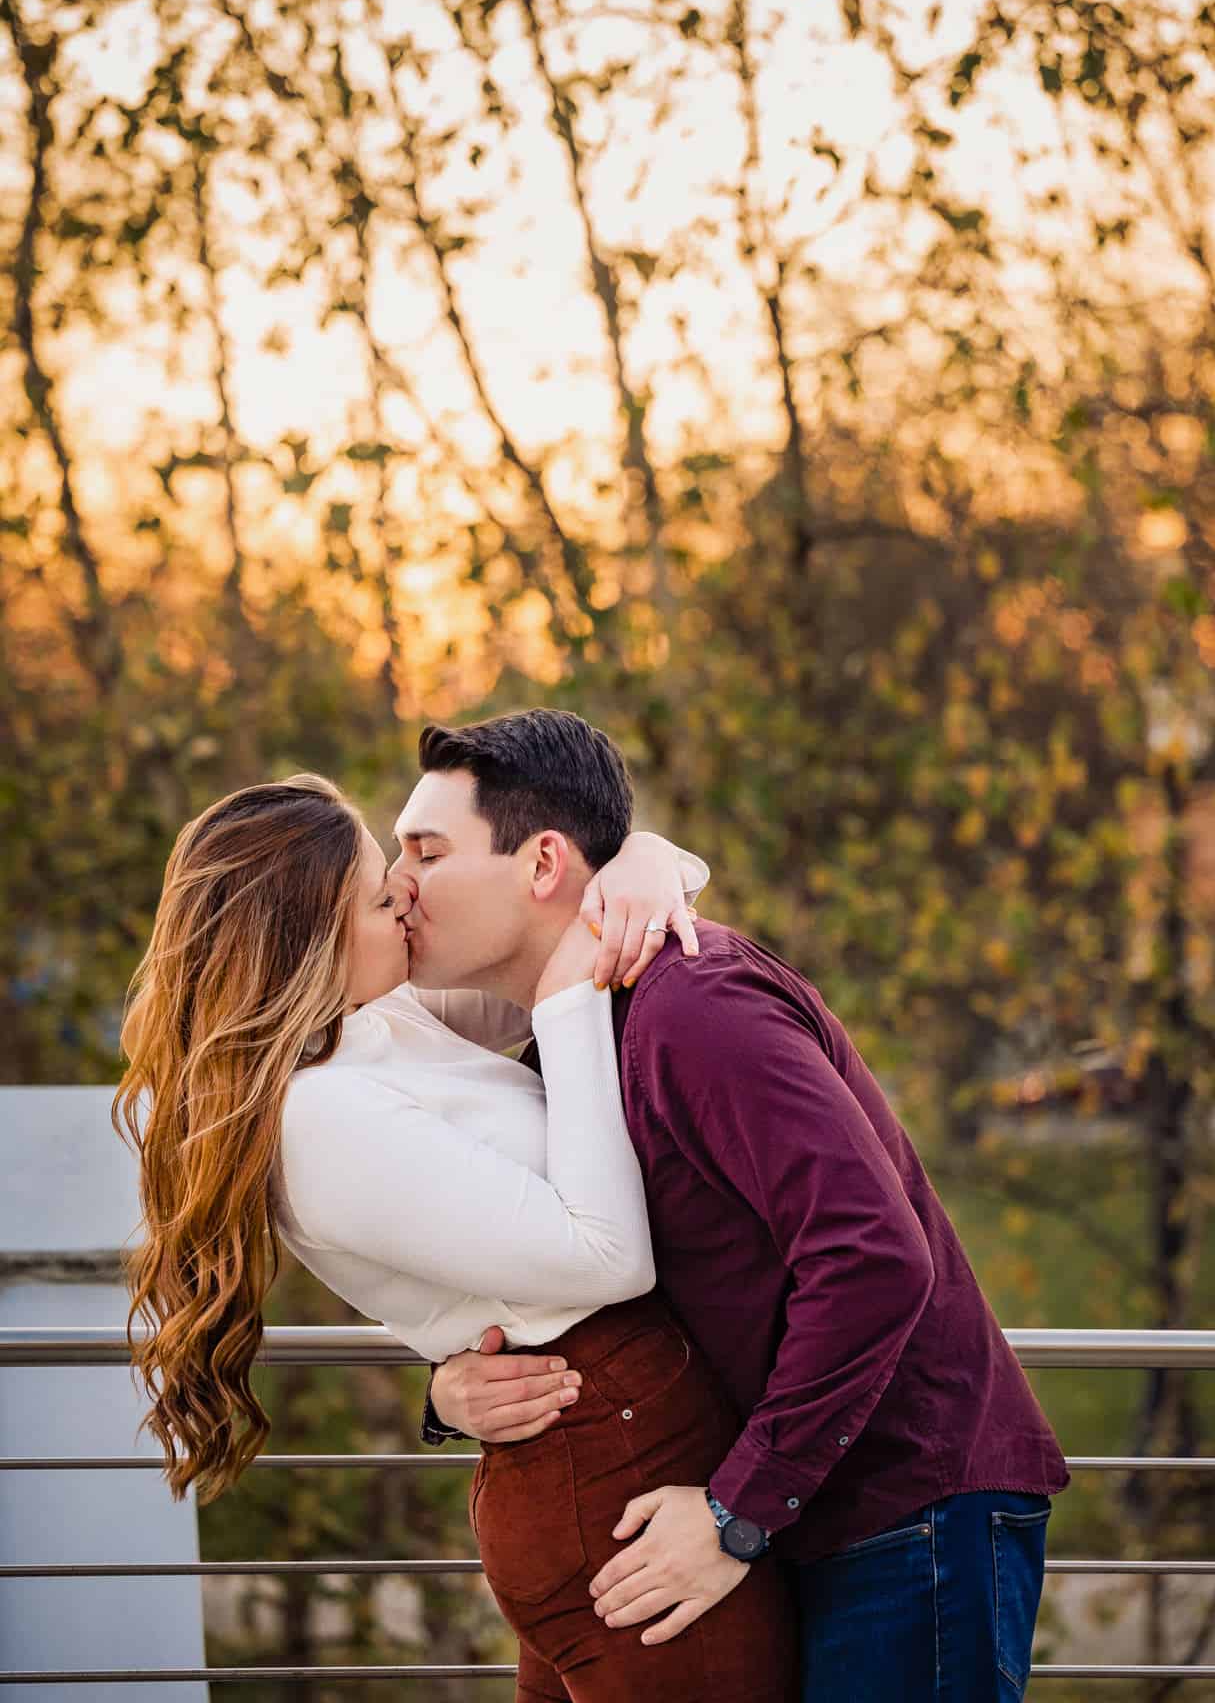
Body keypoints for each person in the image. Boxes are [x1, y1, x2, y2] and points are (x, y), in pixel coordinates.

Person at [414, 709, 1071, 1703]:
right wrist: (450, 1392)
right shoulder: (577, 1030)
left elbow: (873, 1256)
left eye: (426, 850)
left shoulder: (692, 1004)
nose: (400, 883)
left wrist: (736, 1511)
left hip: (907, 1506)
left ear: (543, 861)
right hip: (811, 1501)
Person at [112, 758, 798, 1703]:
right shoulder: (318, 1120)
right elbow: (607, 1255)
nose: (403, 892)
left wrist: (638, 859)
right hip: (608, 1464)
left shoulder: (377, 1026)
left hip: (613, 1446)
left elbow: (550, 926)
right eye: (371, 893)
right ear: (306, 943)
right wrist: (567, 1002)